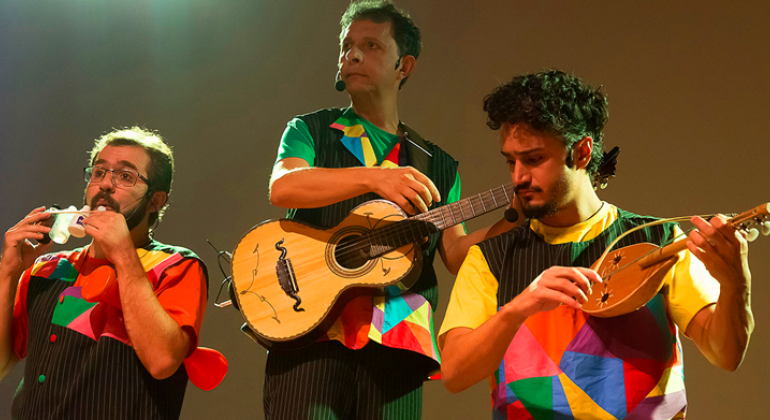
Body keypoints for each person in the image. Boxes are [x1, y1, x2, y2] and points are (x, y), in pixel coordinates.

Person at [439, 70, 754, 419]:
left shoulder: (656, 240)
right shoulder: (492, 256)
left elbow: (725, 354)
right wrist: (519, 308)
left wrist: (735, 283)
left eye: (533, 159)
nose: (518, 177)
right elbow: (453, 373)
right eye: (510, 161)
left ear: (582, 152)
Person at [265, 1, 516, 419]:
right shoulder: (308, 129)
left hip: (398, 341)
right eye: (347, 46)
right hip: (311, 327)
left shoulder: (438, 165)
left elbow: (454, 254)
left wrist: (515, 217)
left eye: (371, 45)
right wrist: (374, 177)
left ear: (405, 66)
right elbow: (284, 187)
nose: (354, 55)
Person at [0, 127, 210, 419]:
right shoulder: (47, 268)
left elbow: (163, 361)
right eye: (98, 172)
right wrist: (7, 273)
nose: (105, 185)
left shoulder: (176, 266)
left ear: (156, 200)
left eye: (125, 176)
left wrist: (123, 254)